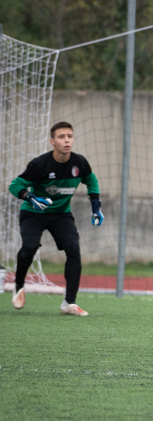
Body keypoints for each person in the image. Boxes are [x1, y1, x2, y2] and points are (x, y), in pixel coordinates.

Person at [8, 121, 104, 316]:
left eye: (70, 136)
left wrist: (96, 208)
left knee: (73, 248)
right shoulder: (40, 164)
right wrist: (31, 197)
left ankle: (69, 303)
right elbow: (15, 185)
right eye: (61, 137)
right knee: (30, 247)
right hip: (33, 214)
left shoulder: (79, 163)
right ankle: (18, 286)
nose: (66, 140)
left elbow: (91, 181)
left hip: (61, 215)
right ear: (52, 141)